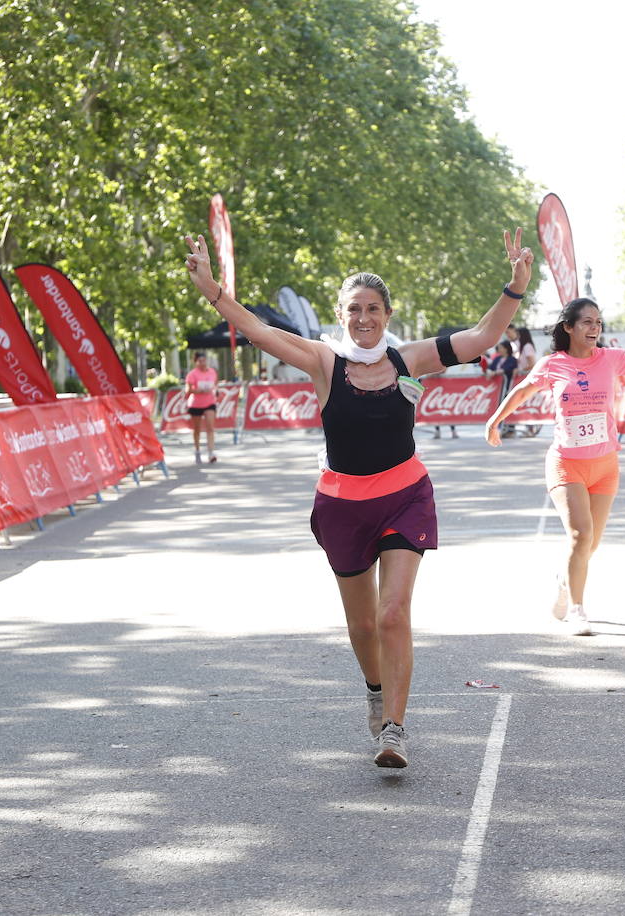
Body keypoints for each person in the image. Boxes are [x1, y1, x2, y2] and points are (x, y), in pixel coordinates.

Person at [184, 227, 534, 768]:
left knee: (393, 613)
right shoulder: (323, 361)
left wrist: (514, 288)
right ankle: (375, 689)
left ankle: (393, 729)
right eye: (354, 309)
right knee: (363, 625)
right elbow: (254, 327)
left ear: (388, 314)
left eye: (373, 308)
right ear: (342, 314)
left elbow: (481, 337)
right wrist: (212, 289)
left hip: (405, 496)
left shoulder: (409, 359)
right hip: (342, 506)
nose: (364, 318)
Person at [483, 299, 625, 635]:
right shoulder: (552, 364)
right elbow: (520, 391)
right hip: (567, 464)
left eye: (598, 323)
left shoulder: (610, 359)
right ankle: (577, 609)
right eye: (587, 322)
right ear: (569, 327)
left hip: (605, 465)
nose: (594, 329)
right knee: (580, 535)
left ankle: (565, 581)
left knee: (591, 545)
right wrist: (495, 420)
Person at [184, 352, 218, 463]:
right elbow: (188, 390)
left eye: (204, 360)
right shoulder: (192, 374)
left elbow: (215, 384)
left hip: (210, 402)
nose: (203, 363)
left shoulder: (212, 372)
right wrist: (197, 390)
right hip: (196, 403)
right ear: (196, 362)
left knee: (210, 427)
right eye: (200, 361)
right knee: (197, 429)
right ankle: (197, 449)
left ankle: (211, 452)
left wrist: (214, 390)